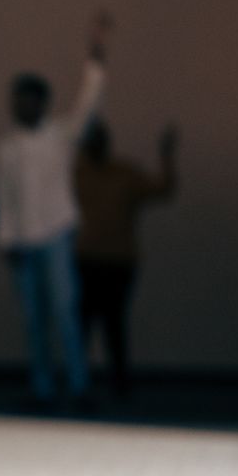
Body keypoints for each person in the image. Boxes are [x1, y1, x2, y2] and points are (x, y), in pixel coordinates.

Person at [0, 14, 111, 409]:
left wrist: (95, 62)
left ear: (41, 102)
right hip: (24, 240)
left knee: (65, 313)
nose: (20, 106)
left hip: (56, 233)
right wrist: (6, 238)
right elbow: (4, 198)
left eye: (27, 99)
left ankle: (78, 384)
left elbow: (87, 106)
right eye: (16, 99)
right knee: (33, 320)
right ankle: (41, 386)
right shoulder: (7, 147)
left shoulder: (59, 136)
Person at [75, 119, 179, 397]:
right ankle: (78, 381)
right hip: (84, 258)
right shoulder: (75, 175)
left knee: (114, 322)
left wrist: (167, 155)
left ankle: (119, 381)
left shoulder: (124, 174)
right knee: (81, 323)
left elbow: (163, 190)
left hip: (119, 260)